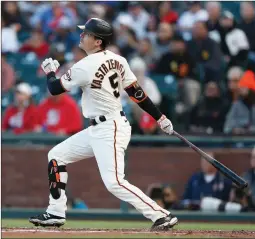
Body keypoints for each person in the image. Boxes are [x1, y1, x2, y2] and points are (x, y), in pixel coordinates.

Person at [29, 18, 177, 231]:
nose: (82, 36)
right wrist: (160, 117)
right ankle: (55, 212)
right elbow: (136, 93)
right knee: (56, 155)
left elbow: (54, 89)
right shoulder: (119, 60)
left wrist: (51, 72)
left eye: (87, 34)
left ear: (98, 41)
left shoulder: (84, 66)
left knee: (114, 182)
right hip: (99, 127)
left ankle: (161, 214)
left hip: (111, 127)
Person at [224, 70, 255, 134]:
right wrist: (235, 129)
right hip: (237, 140)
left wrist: (248, 130)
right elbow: (227, 126)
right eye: (241, 87)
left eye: (244, 87)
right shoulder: (236, 104)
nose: (240, 90)